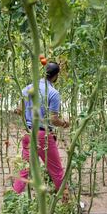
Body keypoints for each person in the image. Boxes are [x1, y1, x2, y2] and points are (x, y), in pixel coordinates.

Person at [13, 62, 70, 195]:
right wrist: (64, 124)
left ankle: (12, 199)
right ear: (55, 76)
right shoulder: (53, 93)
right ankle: (68, 202)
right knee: (56, 171)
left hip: (28, 133)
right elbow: (53, 120)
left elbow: (19, 110)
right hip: (43, 136)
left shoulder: (28, 88)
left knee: (24, 170)